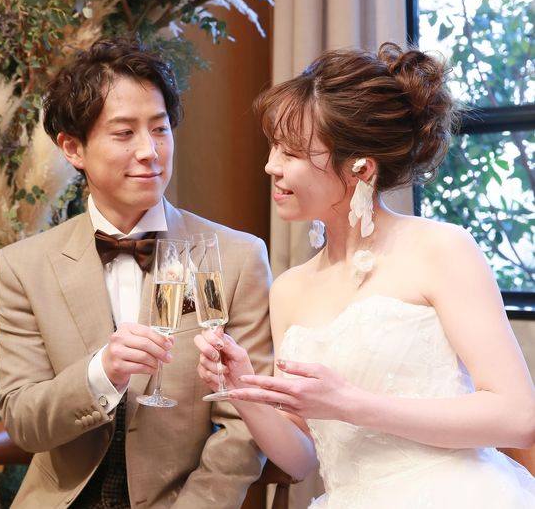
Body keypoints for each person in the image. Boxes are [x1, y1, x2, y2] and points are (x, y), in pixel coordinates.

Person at [195, 42, 535, 508]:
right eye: (274, 146)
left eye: (292, 152)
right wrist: (244, 390)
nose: (271, 166)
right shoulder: (289, 289)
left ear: (360, 169)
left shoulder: (441, 249)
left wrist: (353, 405)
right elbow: (302, 459)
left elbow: (518, 416)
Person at [0, 38, 273, 508]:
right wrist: (101, 373)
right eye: (124, 133)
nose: (150, 151)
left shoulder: (237, 257)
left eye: (160, 129)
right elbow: (23, 422)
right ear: (73, 148)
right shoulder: (24, 267)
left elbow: (244, 426)